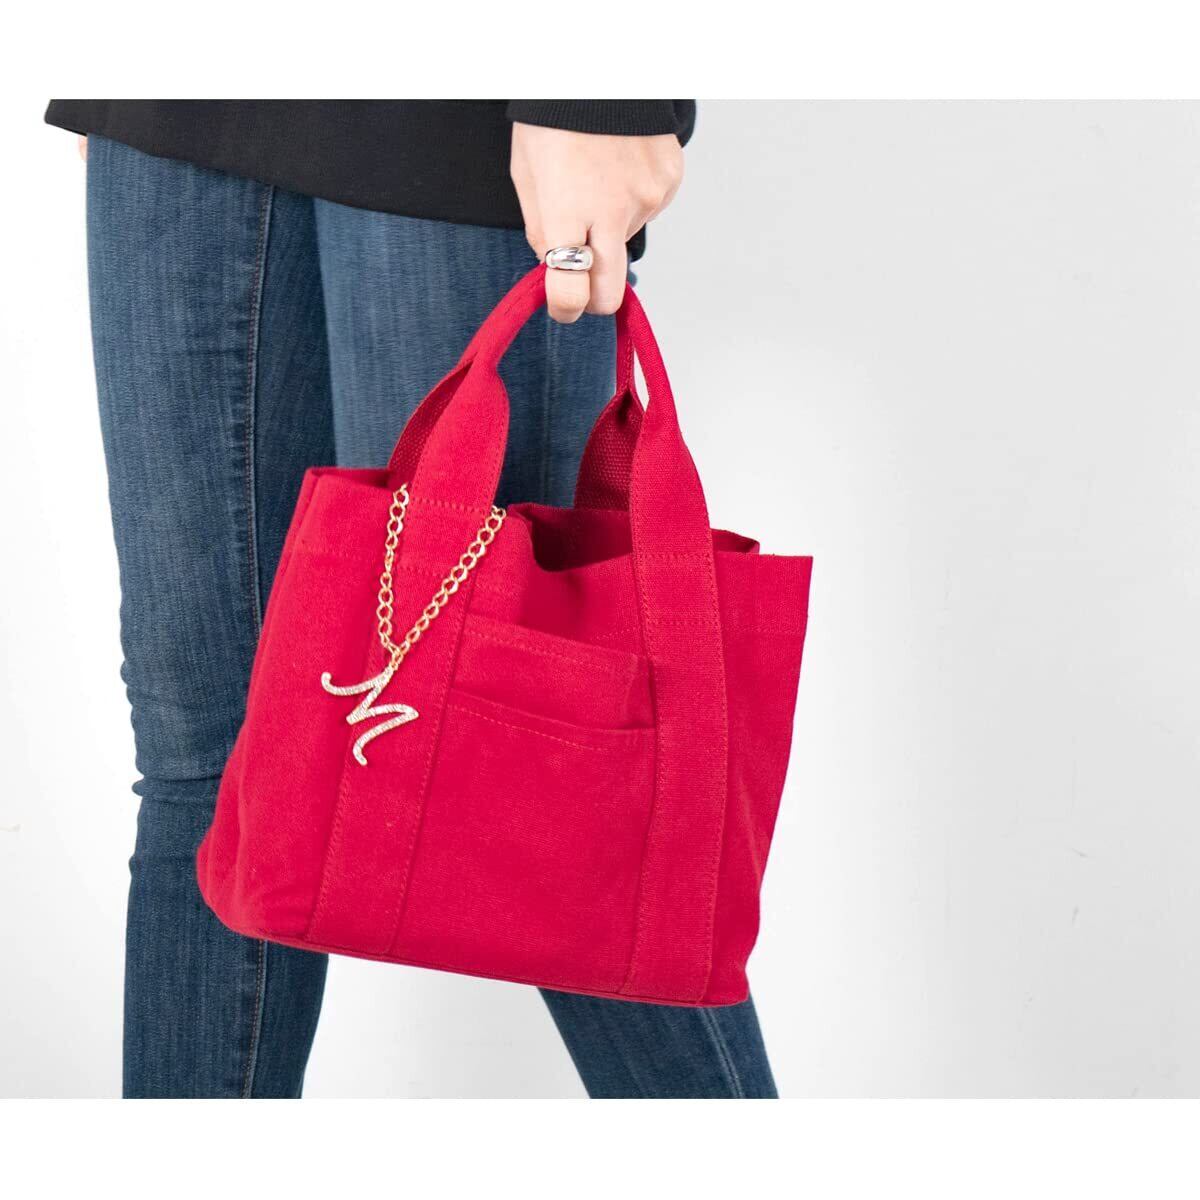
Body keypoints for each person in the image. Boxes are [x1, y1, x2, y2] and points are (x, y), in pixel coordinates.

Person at [47, 100, 778, 1099]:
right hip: (177, 100)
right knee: (210, 762)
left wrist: (600, 96)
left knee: (560, 781)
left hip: (443, 116)